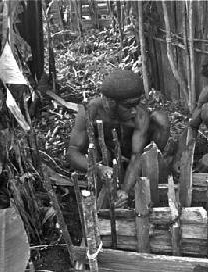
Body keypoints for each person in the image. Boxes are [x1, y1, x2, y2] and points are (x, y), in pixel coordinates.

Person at [68, 70, 170, 206]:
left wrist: (125, 191)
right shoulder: (90, 111)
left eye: (137, 104)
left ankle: (150, 167)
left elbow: (136, 155)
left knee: (161, 119)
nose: (134, 110)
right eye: (128, 106)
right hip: (105, 160)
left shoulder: (140, 114)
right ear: (109, 102)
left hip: (130, 156)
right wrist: (97, 168)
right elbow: (72, 151)